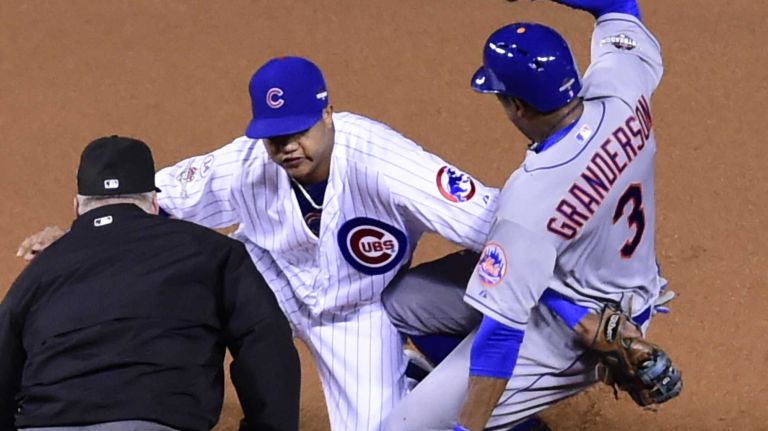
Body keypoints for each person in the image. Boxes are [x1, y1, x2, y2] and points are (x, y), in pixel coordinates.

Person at [383, 1, 681, 430]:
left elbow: (500, 337)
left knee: (402, 429)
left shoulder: (531, 199)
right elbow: (618, 5)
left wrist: (466, 427)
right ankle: (472, 399)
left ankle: (511, 417)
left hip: (571, 339)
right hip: (596, 284)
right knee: (405, 301)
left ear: (516, 106)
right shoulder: (621, 88)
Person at [1, 136, 300, 431]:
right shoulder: (213, 252)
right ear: (155, 203)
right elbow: (265, 343)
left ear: (77, 207)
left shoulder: (40, 270)